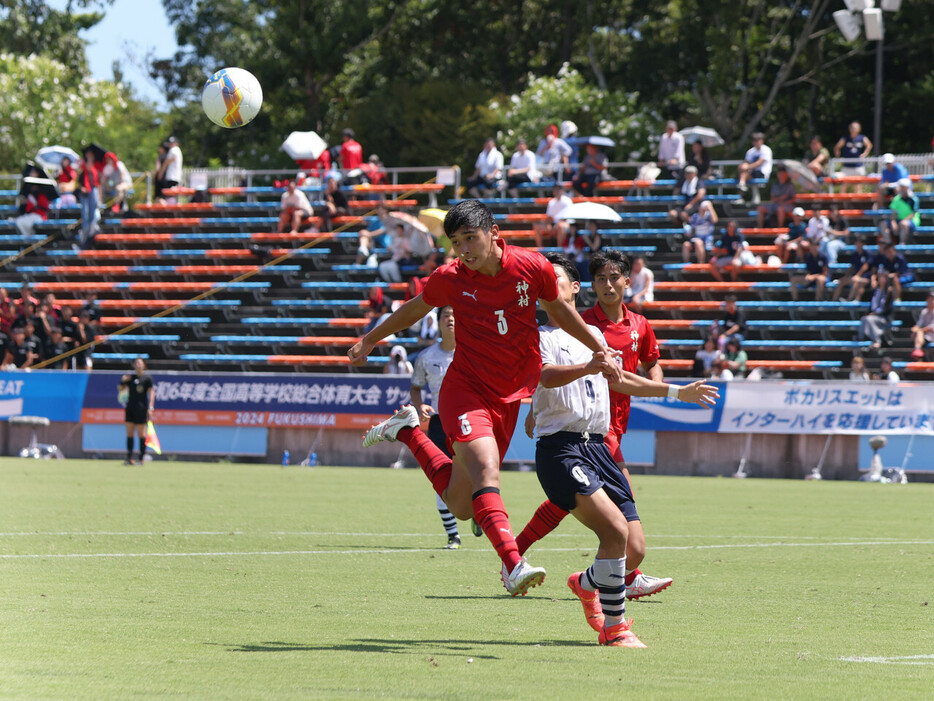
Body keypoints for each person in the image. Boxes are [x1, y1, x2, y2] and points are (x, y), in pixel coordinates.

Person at [351, 200, 622, 597]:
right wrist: (370, 339)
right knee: (486, 471)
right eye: (456, 242)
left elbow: (560, 311)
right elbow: (414, 309)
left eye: (470, 239)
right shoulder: (451, 277)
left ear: (493, 232)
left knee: (462, 504)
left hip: (509, 395)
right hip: (465, 389)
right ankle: (513, 564)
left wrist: (596, 348)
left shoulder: (532, 267)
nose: (463, 250)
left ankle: (408, 432)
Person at [525, 253, 718, 647]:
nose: (548, 288)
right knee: (613, 531)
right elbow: (542, 374)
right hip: (563, 449)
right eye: (542, 284)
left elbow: (624, 379)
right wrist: (588, 368)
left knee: (633, 546)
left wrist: (679, 392)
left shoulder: (594, 339)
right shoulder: (537, 336)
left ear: (573, 288)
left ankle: (585, 582)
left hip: (599, 448)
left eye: (556, 280)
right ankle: (616, 629)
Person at [515, 248, 673, 601]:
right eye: (600, 278)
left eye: (613, 277)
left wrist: (674, 391)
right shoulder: (558, 330)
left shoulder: (616, 331)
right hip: (575, 440)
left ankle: (578, 577)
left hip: (602, 433)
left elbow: (634, 372)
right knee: (612, 524)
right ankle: (615, 606)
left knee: (623, 539)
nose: (607, 284)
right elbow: (542, 375)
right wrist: (535, 408)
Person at [410, 306, 462, 549]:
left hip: (467, 420)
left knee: (475, 473)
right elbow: (416, 386)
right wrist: (420, 405)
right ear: (438, 322)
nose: (450, 319)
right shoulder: (426, 357)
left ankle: (479, 514)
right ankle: (453, 535)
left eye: (453, 315)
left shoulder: (471, 352)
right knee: (442, 478)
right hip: (440, 423)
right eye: (445, 316)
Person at [118, 357, 154, 465]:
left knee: (141, 434)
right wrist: (122, 381)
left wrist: (151, 407)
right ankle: (129, 458)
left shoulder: (147, 379)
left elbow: (151, 392)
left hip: (141, 408)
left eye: (140, 363)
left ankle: (141, 458)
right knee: (129, 433)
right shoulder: (130, 378)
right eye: (136, 363)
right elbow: (121, 389)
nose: (138, 365)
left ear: (144, 365)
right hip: (130, 408)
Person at [858, 273, 895, 350]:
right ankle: (862, 340)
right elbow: (871, 306)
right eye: (880, 277)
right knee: (864, 318)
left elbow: (888, 308)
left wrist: (876, 313)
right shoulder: (875, 291)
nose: (881, 279)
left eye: (883, 278)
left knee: (869, 319)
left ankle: (877, 340)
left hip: (884, 317)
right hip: (874, 315)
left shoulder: (889, 291)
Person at [832, 236, 872, 302]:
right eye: (857, 243)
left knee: (856, 281)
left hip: (865, 277)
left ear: (863, 244)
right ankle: (834, 300)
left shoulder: (867, 254)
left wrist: (858, 275)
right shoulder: (854, 255)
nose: (858, 245)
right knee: (841, 281)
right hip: (854, 277)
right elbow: (851, 267)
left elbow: (866, 266)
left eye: (860, 243)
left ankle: (850, 299)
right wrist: (846, 276)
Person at [13, 169, 50, 237]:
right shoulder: (29, 191)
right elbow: (26, 209)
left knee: (25, 222)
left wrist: (36, 205)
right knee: (19, 221)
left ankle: (30, 237)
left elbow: (45, 208)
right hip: (31, 214)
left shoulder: (42, 193)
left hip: (40, 215)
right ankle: (28, 237)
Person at [883, 178, 920, 246]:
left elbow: (913, 214)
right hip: (899, 220)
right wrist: (893, 222)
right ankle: (888, 243)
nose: (900, 188)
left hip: (911, 221)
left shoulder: (913, 199)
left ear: (907, 187)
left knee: (903, 224)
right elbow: (893, 213)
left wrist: (902, 222)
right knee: (883, 224)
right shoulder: (897, 199)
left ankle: (902, 244)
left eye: (902, 187)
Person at [534, 183, 573, 248]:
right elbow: (549, 217)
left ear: (562, 191)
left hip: (566, 223)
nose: (556, 191)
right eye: (555, 190)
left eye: (558, 189)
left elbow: (566, 217)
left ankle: (559, 249)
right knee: (536, 226)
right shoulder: (551, 202)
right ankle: (540, 247)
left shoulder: (567, 201)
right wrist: (548, 225)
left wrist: (556, 225)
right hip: (555, 224)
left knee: (561, 226)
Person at [75, 150, 100, 248]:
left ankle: (91, 234)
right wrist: (83, 189)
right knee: (85, 215)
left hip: (92, 196)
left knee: (92, 215)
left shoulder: (94, 173)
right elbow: (79, 185)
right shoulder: (82, 173)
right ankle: (84, 239)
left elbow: (97, 185)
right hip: (84, 196)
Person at [910, 290, 934, 360]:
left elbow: (932, 327)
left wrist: (919, 330)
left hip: (931, 335)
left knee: (919, 332)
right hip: (924, 336)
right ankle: (918, 353)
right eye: (929, 299)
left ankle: (917, 350)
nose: (930, 301)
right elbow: (919, 324)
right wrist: (914, 329)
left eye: (932, 299)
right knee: (917, 333)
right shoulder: (924, 312)